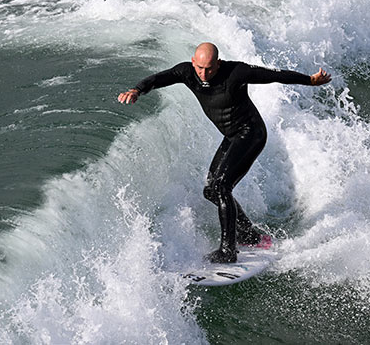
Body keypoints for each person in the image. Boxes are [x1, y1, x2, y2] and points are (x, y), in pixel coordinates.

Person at [118, 42, 331, 263]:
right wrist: (137, 90)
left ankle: (228, 252)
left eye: (209, 68)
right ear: (193, 62)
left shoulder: (236, 72)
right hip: (231, 136)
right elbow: (159, 78)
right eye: (200, 67)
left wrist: (309, 80)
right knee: (211, 191)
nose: (204, 73)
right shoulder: (187, 72)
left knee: (221, 187)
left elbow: (273, 75)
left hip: (251, 134)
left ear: (218, 64)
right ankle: (249, 234)